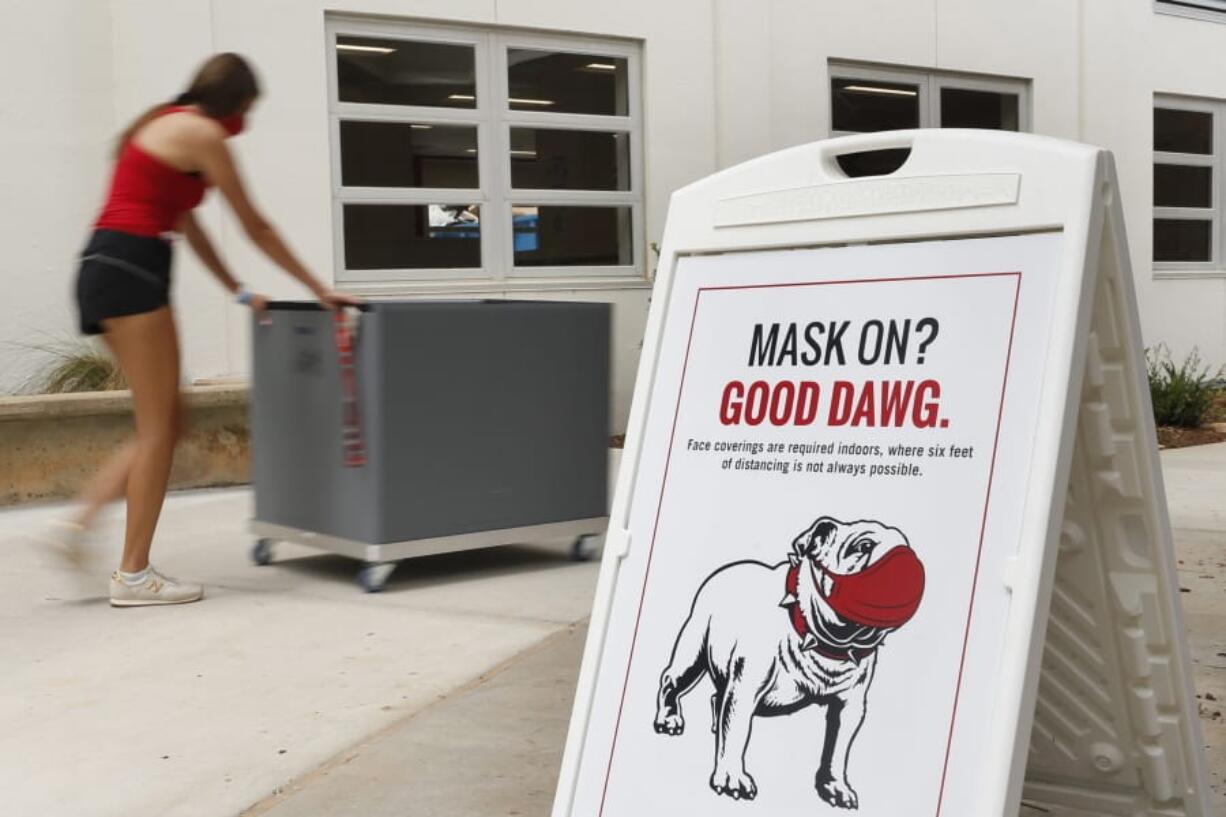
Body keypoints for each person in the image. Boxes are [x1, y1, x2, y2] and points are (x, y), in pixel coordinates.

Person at [52, 52, 358, 607]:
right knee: (159, 428)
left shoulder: (160, 125)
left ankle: (80, 527)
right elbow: (256, 225)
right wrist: (320, 287)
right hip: (135, 269)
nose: (246, 122)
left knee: (167, 419)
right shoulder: (203, 135)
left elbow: (189, 226)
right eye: (248, 110)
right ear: (236, 103)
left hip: (103, 268)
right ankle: (132, 575)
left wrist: (238, 291)